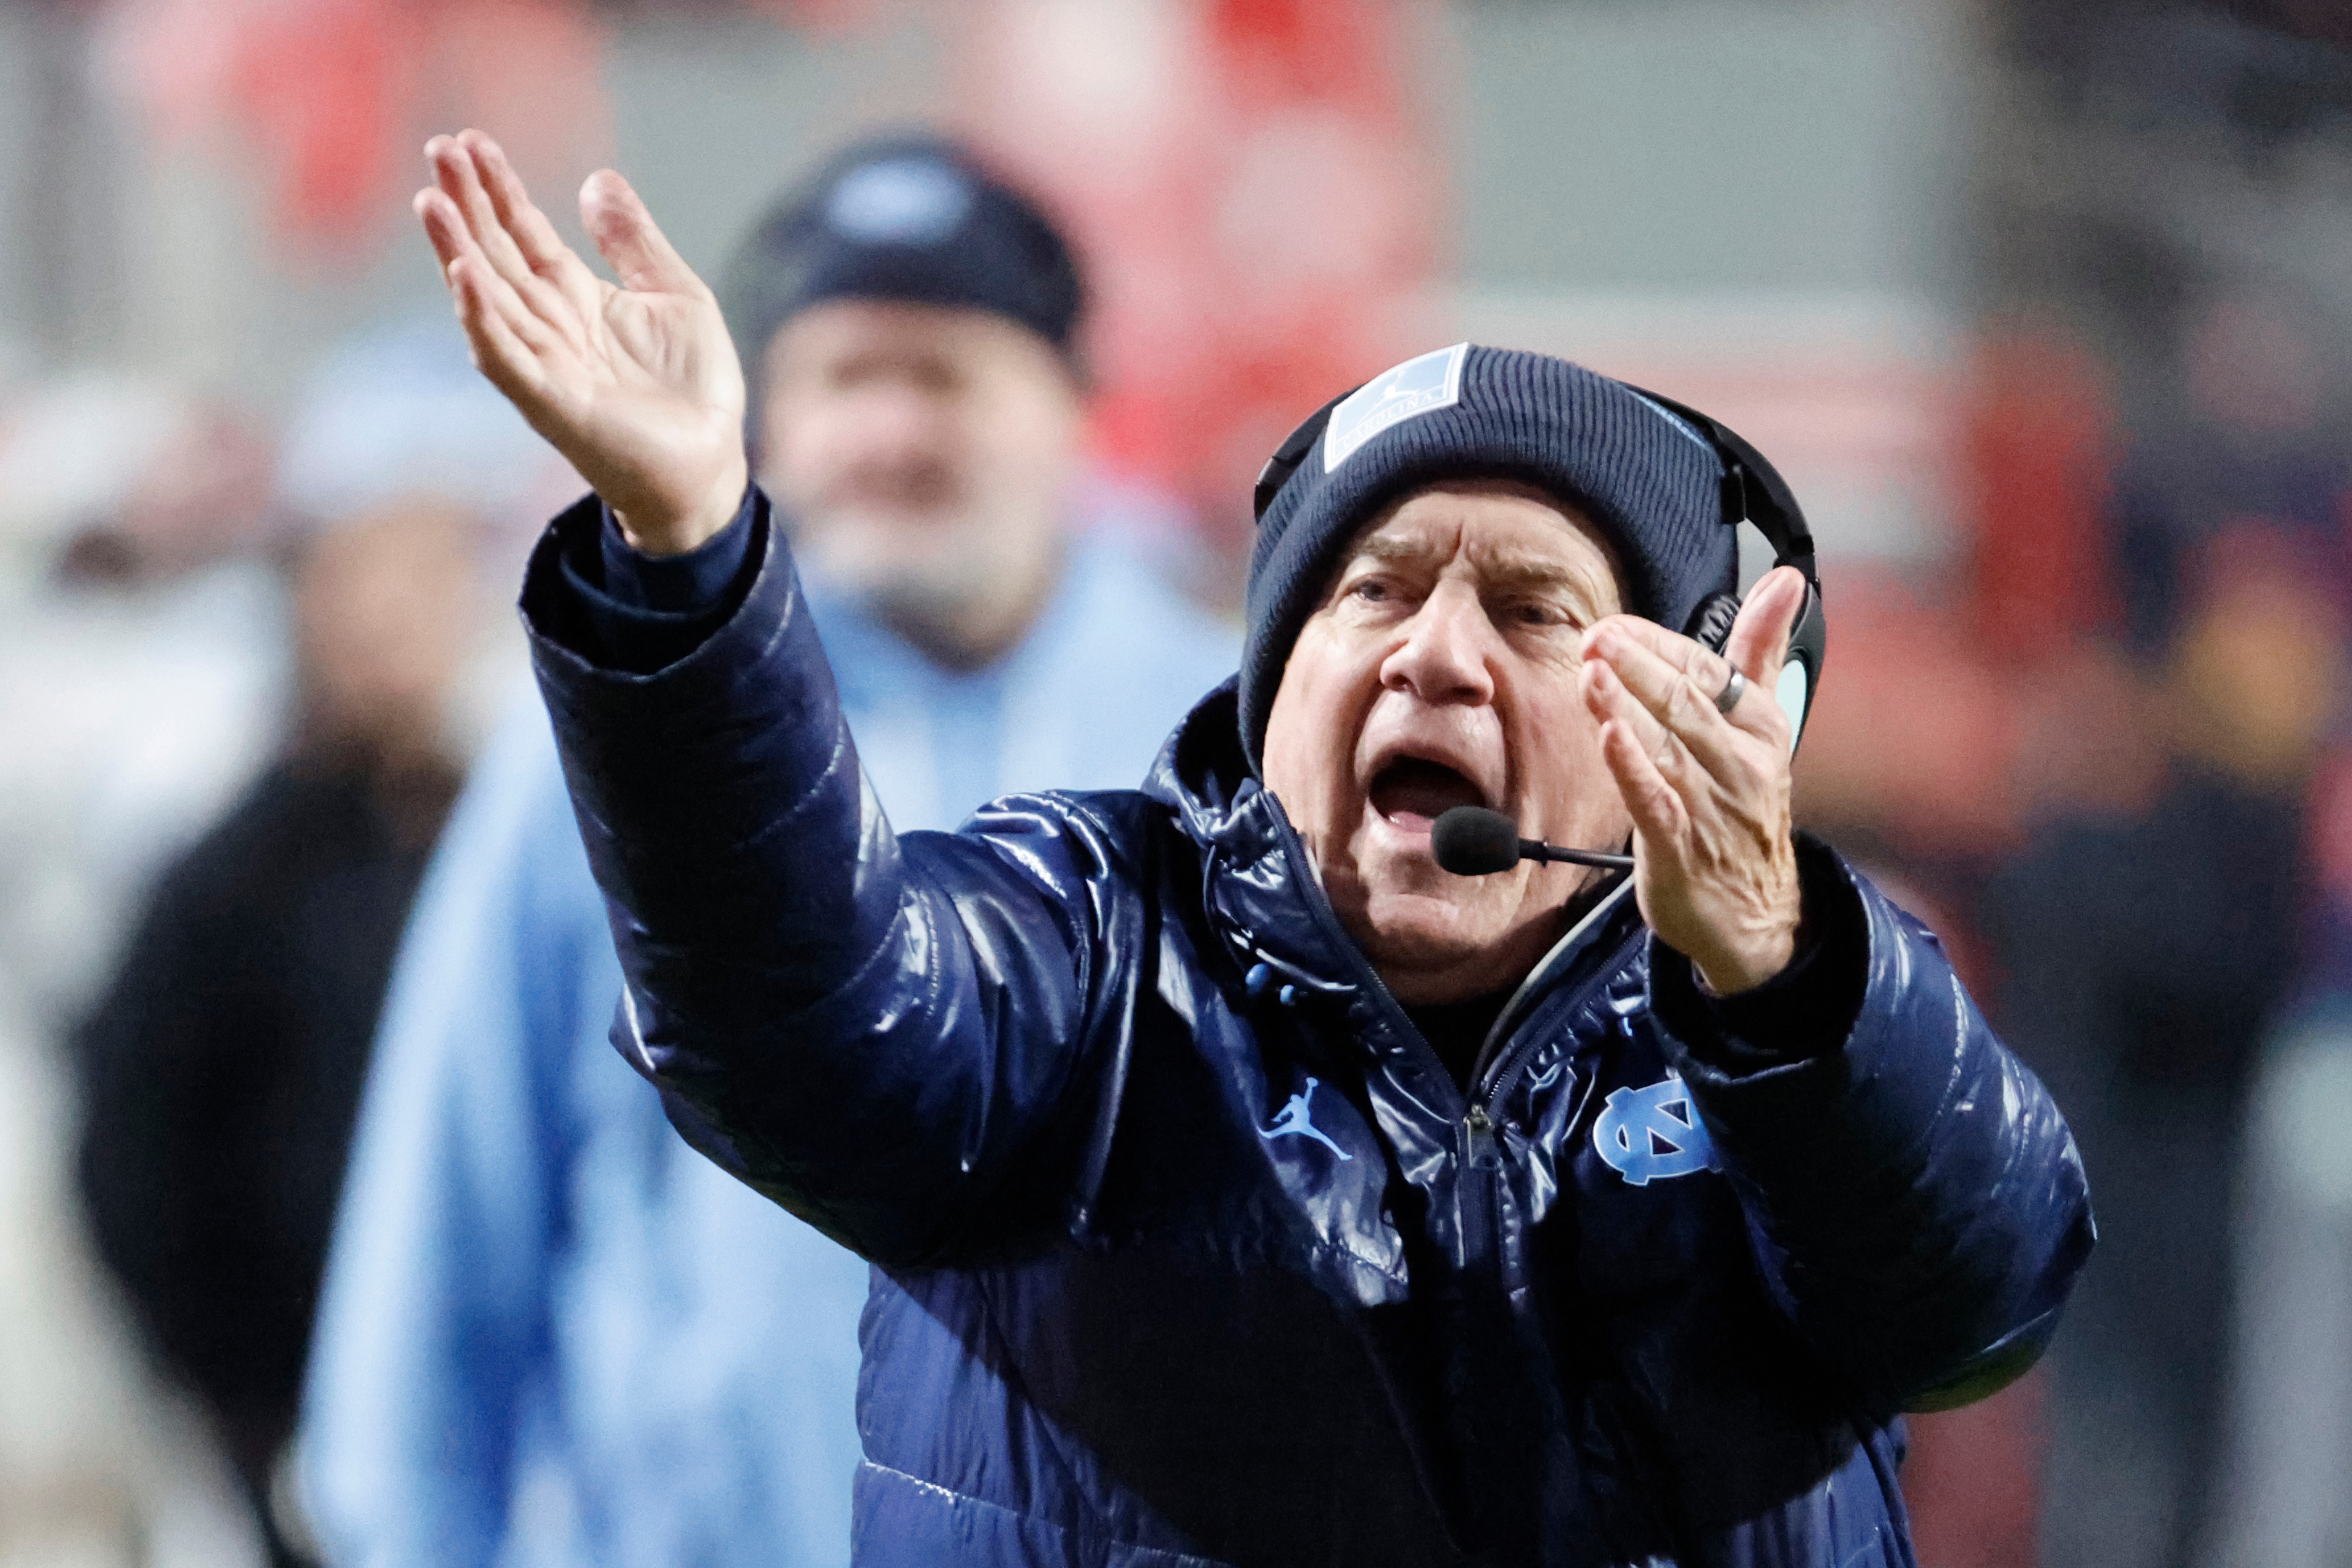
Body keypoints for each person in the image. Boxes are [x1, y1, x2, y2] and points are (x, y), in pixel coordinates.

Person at [415, 127, 2093, 1565]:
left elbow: (1978, 1300)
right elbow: (806, 1021)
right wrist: (690, 557)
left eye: (1528, 606)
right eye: (1368, 590)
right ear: (1267, 684)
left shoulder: (1798, 997)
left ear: (1685, 697)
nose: (1432, 653)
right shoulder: (1083, 944)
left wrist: (1769, 970)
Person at [299, 135, 1235, 1568]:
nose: (891, 430)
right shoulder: (620, 730)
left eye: (943, 374)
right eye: (843, 375)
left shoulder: (1227, 740)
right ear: (761, 412)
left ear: (1071, 406)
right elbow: (452, 1211)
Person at [73, 317, 547, 1568]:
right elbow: (134, 1162)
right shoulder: (234, 864)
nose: (406, 609)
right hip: (292, 1440)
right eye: (374, 565)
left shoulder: (513, 829)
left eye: (438, 564)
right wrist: (254, 1412)